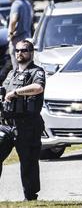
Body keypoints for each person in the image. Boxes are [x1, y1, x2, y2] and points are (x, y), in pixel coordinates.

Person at [0, 39, 45, 201]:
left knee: (28, 162)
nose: (20, 53)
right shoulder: (11, 73)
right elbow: (4, 94)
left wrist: (16, 92)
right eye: (17, 50)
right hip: (7, 125)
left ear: (31, 53)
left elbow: (38, 88)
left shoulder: (37, 72)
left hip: (28, 125)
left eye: (24, 50)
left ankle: (30, 197)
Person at [7, 0, 33, 70]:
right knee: (26, 66)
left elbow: (14, 20)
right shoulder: (26, 3)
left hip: (17, 40)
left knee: (17, 67)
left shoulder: (16, 4)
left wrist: (10, 34)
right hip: (27, 38)